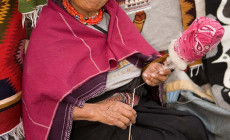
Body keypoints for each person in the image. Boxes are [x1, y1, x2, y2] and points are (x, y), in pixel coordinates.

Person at [22, 0, 209, 139]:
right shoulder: (51, 29)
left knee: (193, 127)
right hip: (89, 121)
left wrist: (149, 71)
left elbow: (137, 55)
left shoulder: (112, 12)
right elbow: (41, 105)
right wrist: (96, 111)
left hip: (132, 105)